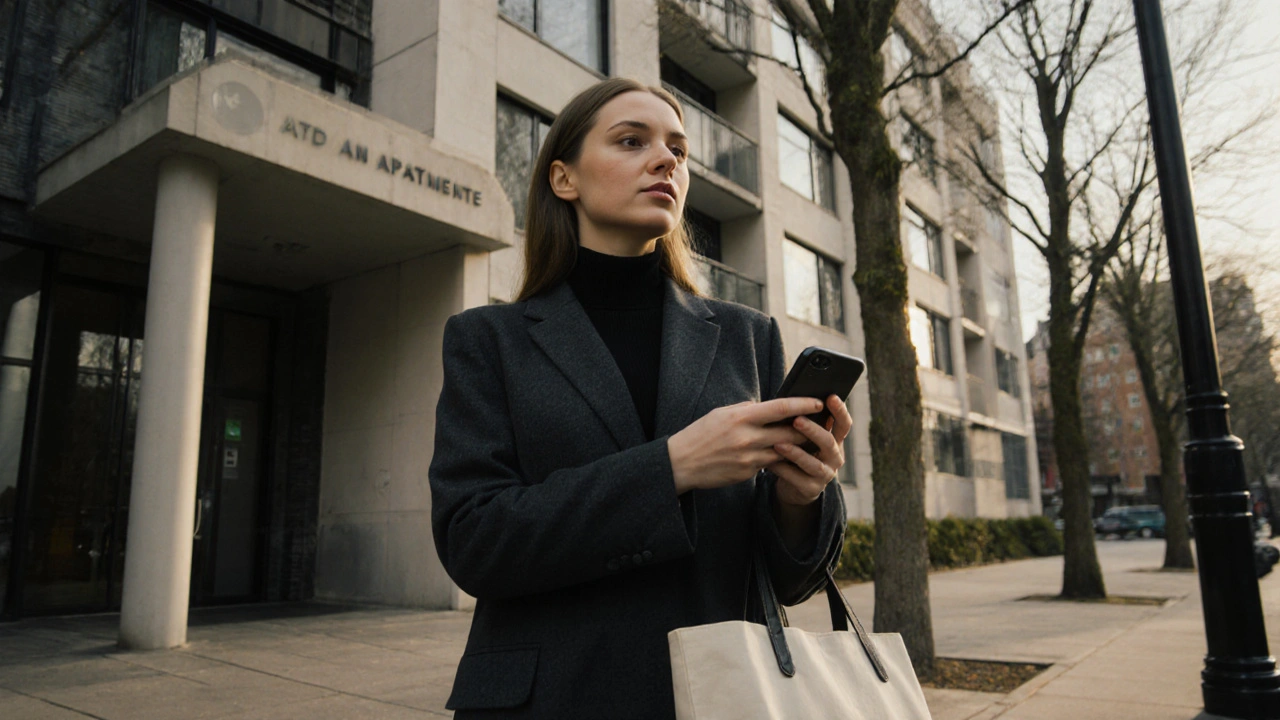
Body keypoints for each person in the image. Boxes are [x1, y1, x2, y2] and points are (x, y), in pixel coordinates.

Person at [429, 77, 850, 719]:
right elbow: (474, 541)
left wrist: (801, 498)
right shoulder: (488, 340)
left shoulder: (747, 336)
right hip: (549, 700)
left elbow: (789, 581)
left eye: (678, 150)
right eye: (632, 141)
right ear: (563, 178)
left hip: (721, 699)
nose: (667, 160)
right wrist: (672, 467)